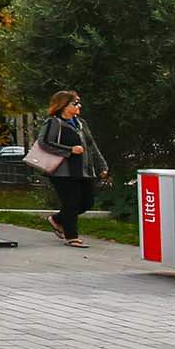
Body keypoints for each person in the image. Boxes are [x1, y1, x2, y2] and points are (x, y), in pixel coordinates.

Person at [36, 89, 107, 248]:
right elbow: (44, 142)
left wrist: (102, 165)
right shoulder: (54, 122)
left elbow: (92, 146)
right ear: (63, 105)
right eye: (75, 103)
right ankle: (71, 236)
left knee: (87, 202)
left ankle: (57, 220)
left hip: (83, 170)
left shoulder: (81, 123)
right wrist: (69, 150)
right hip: (63, 172)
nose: (78, 106)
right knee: (71, 202)